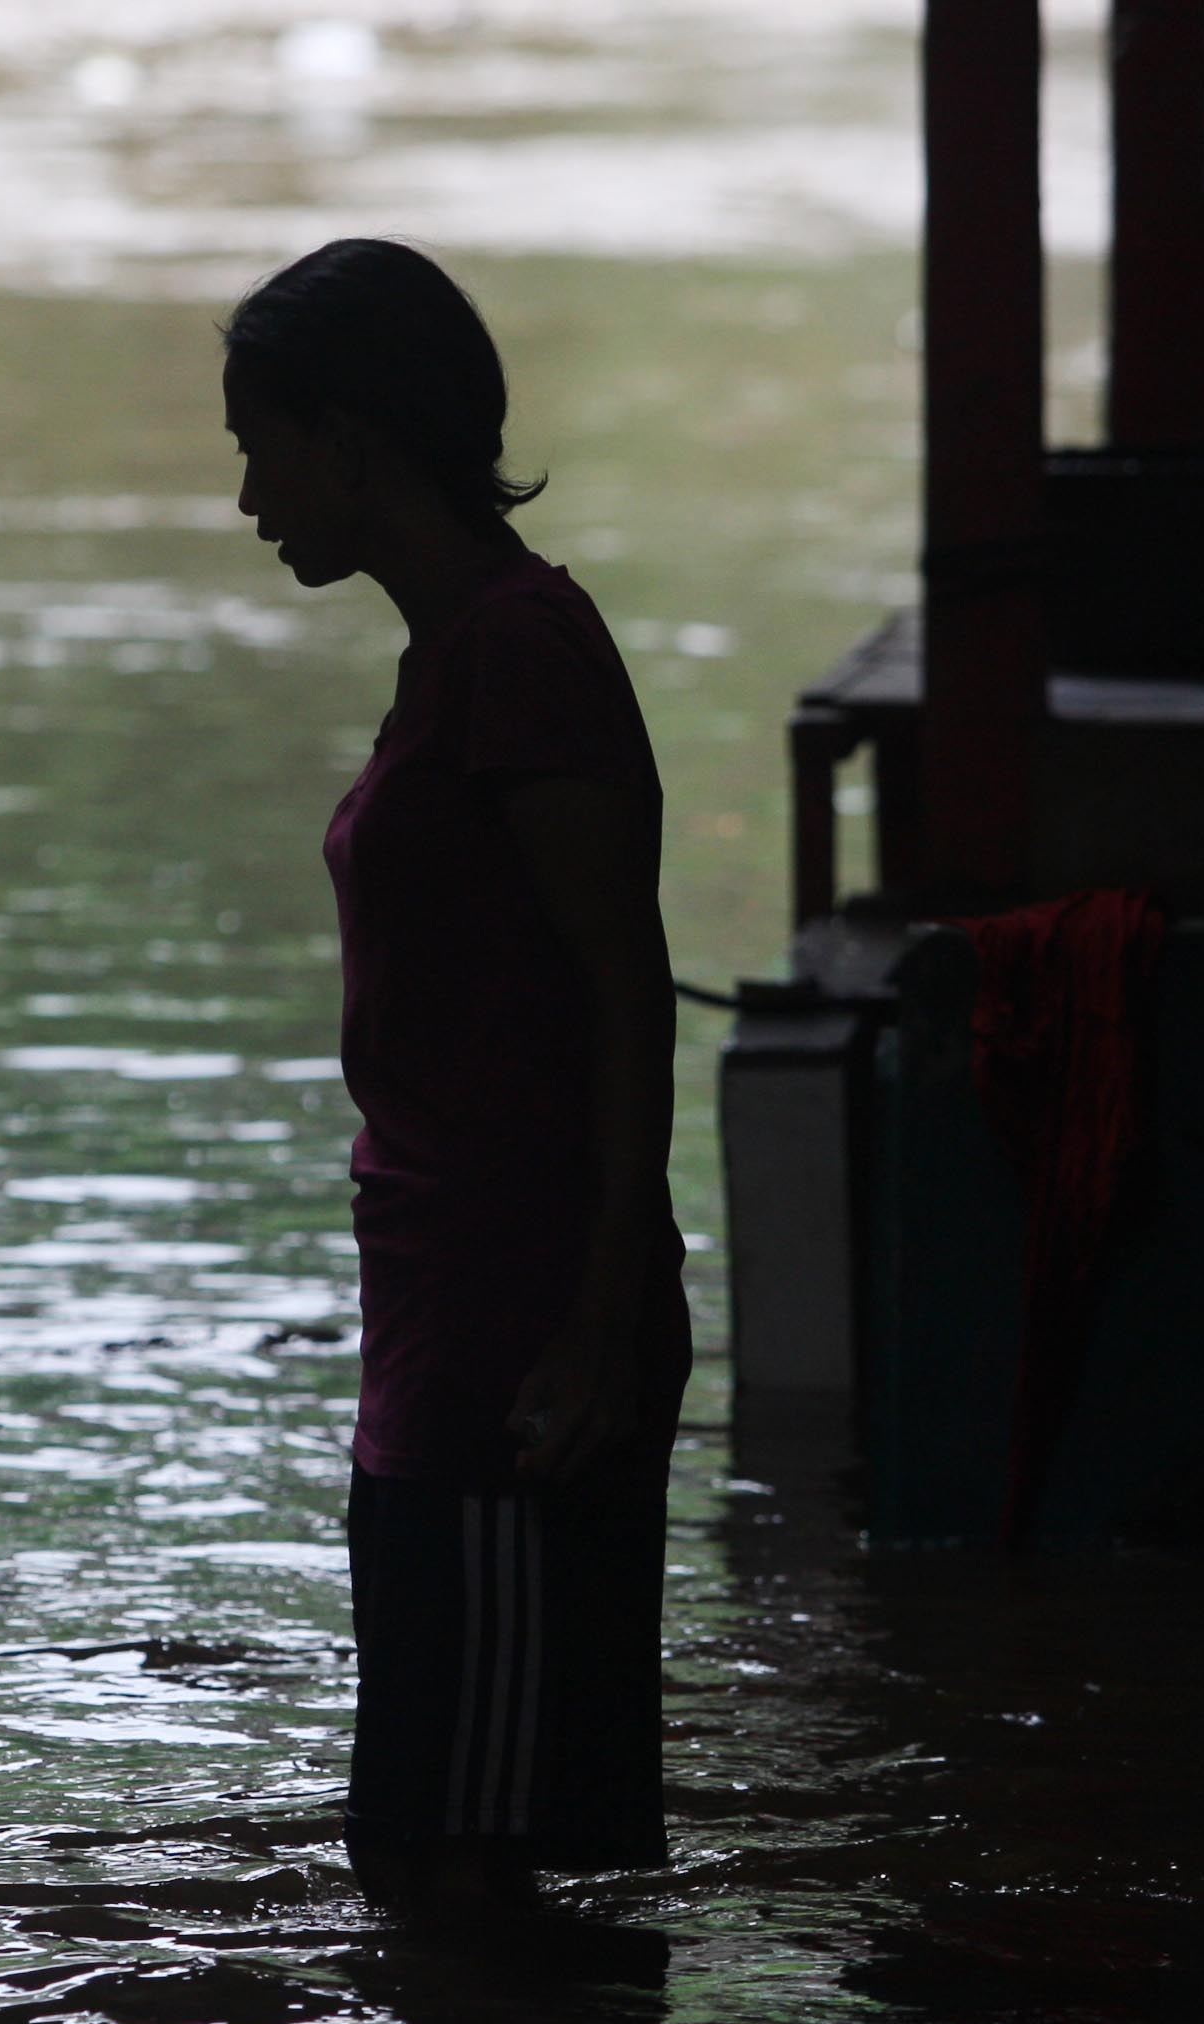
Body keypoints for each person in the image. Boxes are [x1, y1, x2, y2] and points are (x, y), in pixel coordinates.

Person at [222, 238, 691, 1910]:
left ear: (353, 439)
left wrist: (594, 1323)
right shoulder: (458, 653)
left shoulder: (518, 652)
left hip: (518, 1330)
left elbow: (628, 997)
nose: (254, 494)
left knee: (468, 1868)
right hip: (449, 1310)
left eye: (261, 445)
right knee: (432, 1843)